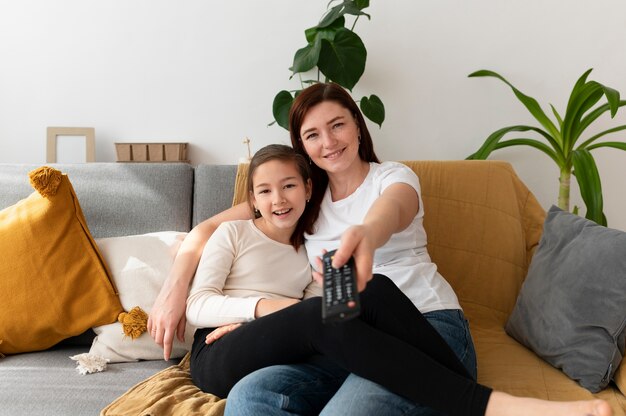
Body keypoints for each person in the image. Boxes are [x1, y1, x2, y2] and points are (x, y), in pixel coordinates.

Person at [148, 84, 612, 416]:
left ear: (357, 126)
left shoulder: (394, 178)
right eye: (312, 135)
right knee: (254, 397)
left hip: (429, 325)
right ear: (302, 149)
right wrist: (176, 287)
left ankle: (476, 400)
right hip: (346, 336)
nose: (328, 142)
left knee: (366, 306)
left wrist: (367, 235)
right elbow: (213, 226)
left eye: (337, 126)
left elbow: (393, 210)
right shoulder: (301, 200)